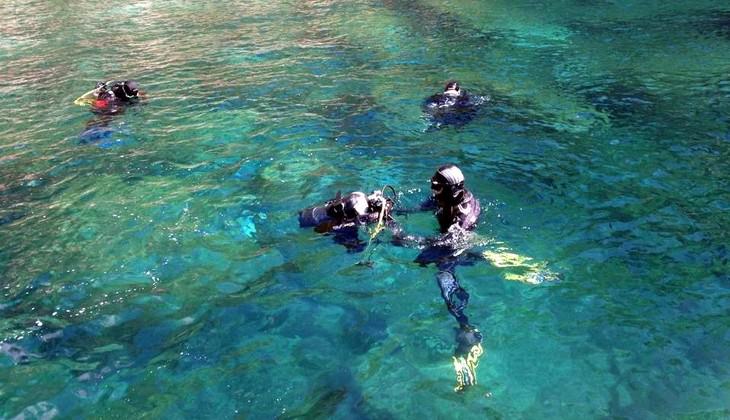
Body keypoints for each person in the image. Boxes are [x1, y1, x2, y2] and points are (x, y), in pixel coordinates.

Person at [400, 164, 484, 391]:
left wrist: (404, 236)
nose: (432, 190)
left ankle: (466, 328)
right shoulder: (446, 197)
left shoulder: (462, 217)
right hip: (450, 239)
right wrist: (391, 210)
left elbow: (447, 242)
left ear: (449, 190)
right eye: (433, 185)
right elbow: (423, 206)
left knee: (442, 273)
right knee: (422, 261)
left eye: (436, 187)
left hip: (460, 244)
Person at [299, 190, 395, 252]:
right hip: (310, 225)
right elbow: (355, 247)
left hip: (306, 214)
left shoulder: (337, 205)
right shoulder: (341, 227)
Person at [75, 80, 142, 114]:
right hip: (117, 108)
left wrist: (89, 102)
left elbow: (95, 106)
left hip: (109, 110)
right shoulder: (133, 95)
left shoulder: (108, 97)